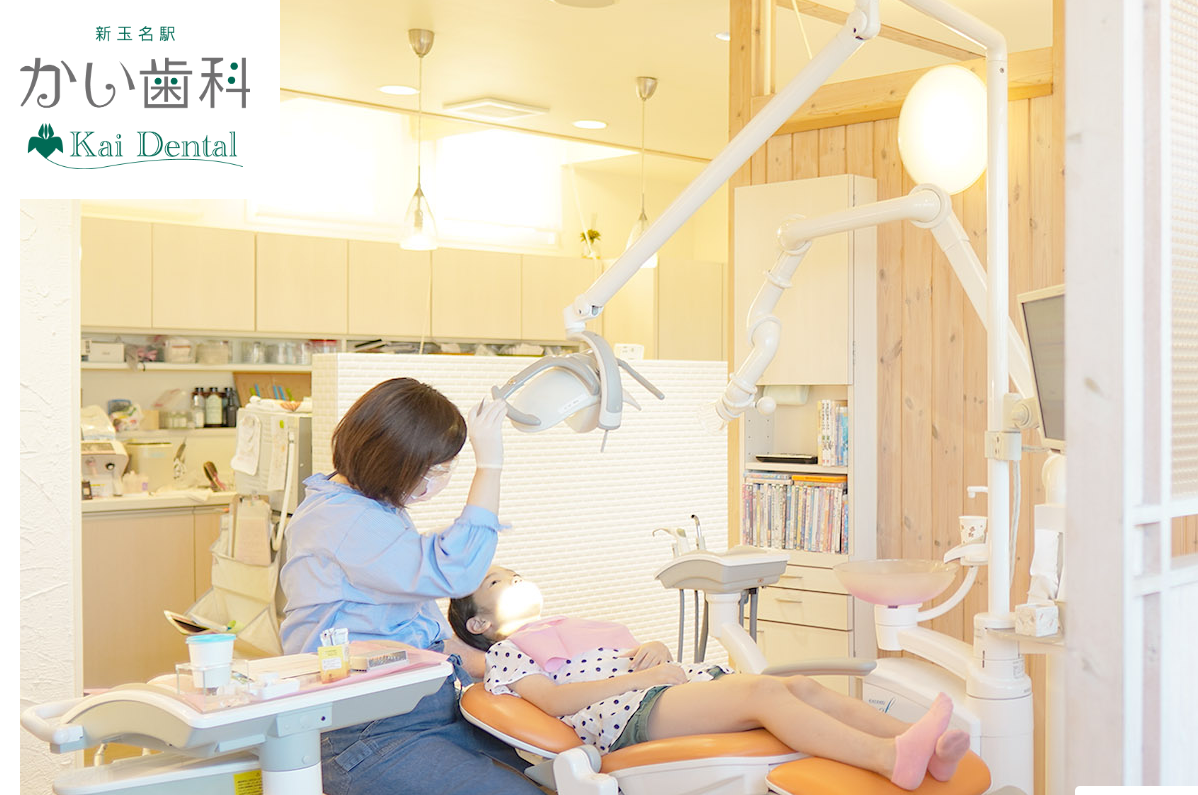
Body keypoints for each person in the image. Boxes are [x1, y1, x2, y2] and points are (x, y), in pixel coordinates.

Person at [449, 566, 973, 791]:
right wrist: (640, 681)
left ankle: (917, 743)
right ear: (478, 624)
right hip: (626, 718)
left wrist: (652, 651)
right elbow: (556, 702)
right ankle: (888, 758)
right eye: (497, 581)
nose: (515, 580)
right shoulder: (509, 653)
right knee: (763, 690)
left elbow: (630, 658)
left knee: (800, 687)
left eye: (515, 574)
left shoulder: (571, 627)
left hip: (663, 688)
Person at [279, 378, 541, 795]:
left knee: (553, 772)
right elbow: (456, 572)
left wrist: (520, 666)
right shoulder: (346, 522)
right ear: (393, 460)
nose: (439, 480)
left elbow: (417, 635)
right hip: (368, 732)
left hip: (423, 706)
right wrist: (489, 465)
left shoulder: (370, 509)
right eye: (435, 470)